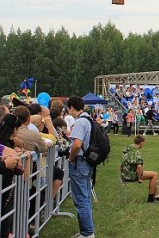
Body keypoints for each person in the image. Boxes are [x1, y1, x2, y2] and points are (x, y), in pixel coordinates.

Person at [66, 96, 96, 238]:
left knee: (81, 199)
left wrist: (70, 158)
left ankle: (88, 233)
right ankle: (86, 231)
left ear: (71, 107)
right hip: (87, 162)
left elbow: (77, 145)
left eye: (68, 109)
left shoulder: (79, 122)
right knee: (85, 197)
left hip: (79, 162)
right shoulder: (88, 119)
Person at [120, 135, 159, 203]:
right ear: (141, 143)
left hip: (124, 174)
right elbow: (139, 167)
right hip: (130, 175)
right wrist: (139, 178)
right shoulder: (136, 153)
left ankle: (157, 197)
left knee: (154, 176)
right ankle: (151, 199)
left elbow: (121, 165)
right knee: (155, 175)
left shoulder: (128, 149)